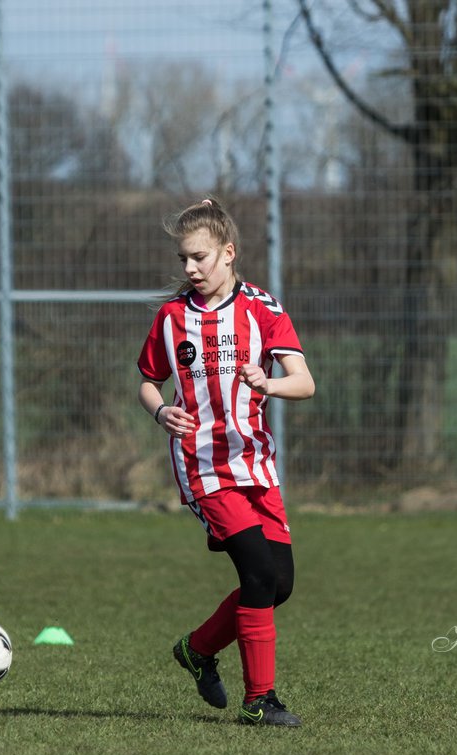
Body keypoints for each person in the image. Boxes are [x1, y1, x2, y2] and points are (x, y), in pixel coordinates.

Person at [137, 198, 315, 727]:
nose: (189, 269)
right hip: (204, 467)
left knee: (278, 584)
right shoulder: (172, 319)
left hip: (256, 466)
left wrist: (270, 383)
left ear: (228, 253)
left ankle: (196, 649)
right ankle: (260, 700)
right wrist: (162, 410)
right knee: (258, 572)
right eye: (183, 259)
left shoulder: (263, 307)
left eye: (199, 258)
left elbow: (305, 383)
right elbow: (148, 382)